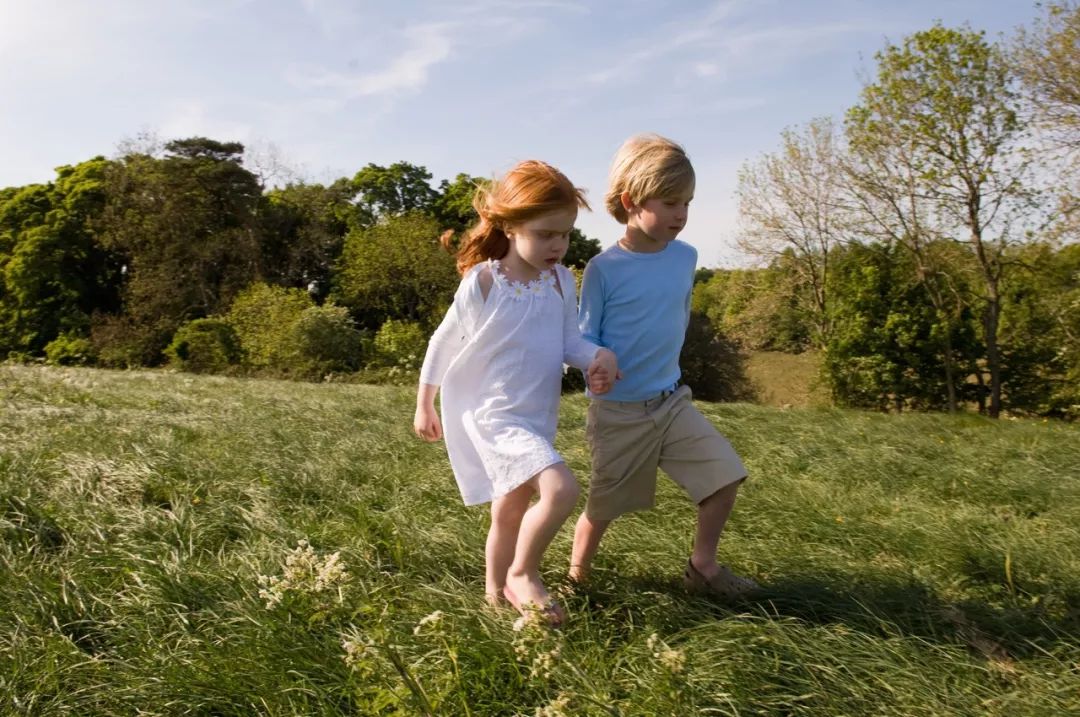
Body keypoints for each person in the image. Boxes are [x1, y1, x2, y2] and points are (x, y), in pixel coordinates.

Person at [414, 160, 618, 625]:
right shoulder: (484, 281)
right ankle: (521, 575)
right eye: (546, 234)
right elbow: (443, 340)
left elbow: (570, 342)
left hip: (535, 417)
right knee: (561, 488)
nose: (558, 246)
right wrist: (426, 401)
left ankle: (492, 595)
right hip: (493, 416)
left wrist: (596, 359)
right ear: (509, 225)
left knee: (510, 511)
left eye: (565, 234)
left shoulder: (562, 281)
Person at [568, 134, 759, 599]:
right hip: (618, 412)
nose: (682, 214)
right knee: (602, 507)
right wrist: (596, 363)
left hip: (672, 402)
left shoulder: (686, 257)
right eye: (671, 202)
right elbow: (583, 335)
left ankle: (702, 568)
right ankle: (576, 580)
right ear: (631, 201)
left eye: (688, 203)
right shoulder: (603, 268)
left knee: (725, 476)